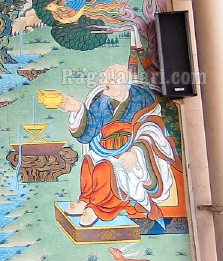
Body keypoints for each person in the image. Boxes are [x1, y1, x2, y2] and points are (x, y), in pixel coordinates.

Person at [57, 64, 185, 229]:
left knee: (105, 168)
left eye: (111, 79)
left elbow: (151, 129)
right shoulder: (100, 101)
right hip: (104, 147)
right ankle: (86, 199)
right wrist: (79, 109)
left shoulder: (143, 100)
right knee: (89, 162)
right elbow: (90, 130)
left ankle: (99, 208)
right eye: (104, 78)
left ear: (125, 82)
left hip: (134, 149)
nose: (105, 82)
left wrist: (136, 153)